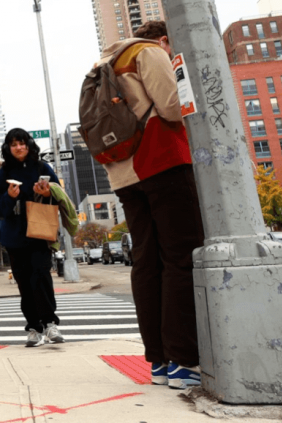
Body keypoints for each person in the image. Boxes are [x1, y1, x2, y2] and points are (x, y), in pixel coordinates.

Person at [97, 20, 204, 389]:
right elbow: (174, 109)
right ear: (163, 39)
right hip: (161, 162)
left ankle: (159, 361)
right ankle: (185, 361)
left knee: (147, 263)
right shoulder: (148, 52)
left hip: (124, 175)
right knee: (181, 257)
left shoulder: (105, 64)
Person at [0, 128, 64, 347]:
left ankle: (50, 324)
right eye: (14, 144)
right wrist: (9, 197)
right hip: (14, 235)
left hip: (40, 232)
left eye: (22, 143)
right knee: (24, 282)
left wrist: (47, 193)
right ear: (8, 148)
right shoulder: (3, 174)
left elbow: (60, 197)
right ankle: (33, 328)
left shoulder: (42, 167)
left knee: (41, 277)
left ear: (28, 144)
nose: (19, 147)